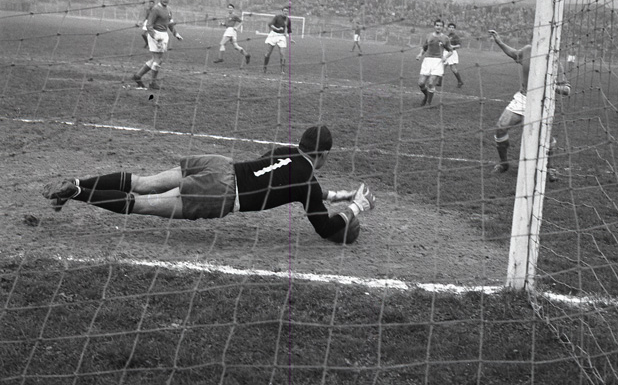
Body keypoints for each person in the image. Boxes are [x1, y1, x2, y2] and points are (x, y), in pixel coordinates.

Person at [42, 125, 375, 244]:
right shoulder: (307, 183)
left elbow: (283, 180)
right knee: (142, 205)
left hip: (219, 165)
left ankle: (75, 182)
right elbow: (325, 228)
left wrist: (336, 194)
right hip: (222, 195)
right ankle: (77, 193)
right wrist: (356, 206)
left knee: (143, 183)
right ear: (324, 155)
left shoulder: (286, 152)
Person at [489, 29, 571, 180]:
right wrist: (499, 42)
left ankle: (549, 168)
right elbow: (514, 54)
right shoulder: (527, 50)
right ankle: (504, 163)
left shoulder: (553, 61)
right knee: (501, 127)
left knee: (544, 137)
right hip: (523, 98)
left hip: (542, 102)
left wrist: (550, 85)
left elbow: (566, 90)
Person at [132, 0, 183, 90]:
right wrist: (155, 36)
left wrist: (176, 34)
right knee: (157, 60)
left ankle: (138, 76)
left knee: (156, 59)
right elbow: (149, 25)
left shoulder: (169, 9)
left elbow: (170, 24)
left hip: (164, 35)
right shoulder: (155, 9)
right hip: (156, 35)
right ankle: (152, 83)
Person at [416, 19, 453, 107]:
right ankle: (426, 96)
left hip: (438, 61)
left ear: (443, 27)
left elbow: (450, 51)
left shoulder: (445, 38)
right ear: (434, 26)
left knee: (431, 82)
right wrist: (420, 54)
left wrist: (445, 57)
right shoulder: (429, 36)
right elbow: (424, 47)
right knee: (421, 83)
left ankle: (428, 103)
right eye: (437, 25)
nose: (438, 27)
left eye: (440, 26)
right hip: (427, 60)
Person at [263, 6, 293, 74]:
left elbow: (289, 30)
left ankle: (282, 70)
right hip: (273, 35)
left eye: (287, 11)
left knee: (282, 54)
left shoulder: (288, 20)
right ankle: (265, 67)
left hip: (281, 36)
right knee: (268, 53)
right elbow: (270, 25)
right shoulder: (277, 17)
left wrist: (291, 39)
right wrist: (277, 29)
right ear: (282, 11)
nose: (286, 12)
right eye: (284, 11)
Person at [443, 22, 464, 88]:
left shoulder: (455, 36)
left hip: (452, 53)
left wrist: (453, 46)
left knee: (453, 68)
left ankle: (460, 81)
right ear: (448, 28)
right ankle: (439, 81)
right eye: (450, 27)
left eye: (453, 28)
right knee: (442, 66)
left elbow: (459, 45)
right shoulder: (446, 36)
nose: (451, 29)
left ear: (454, 29)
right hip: (445, 52)